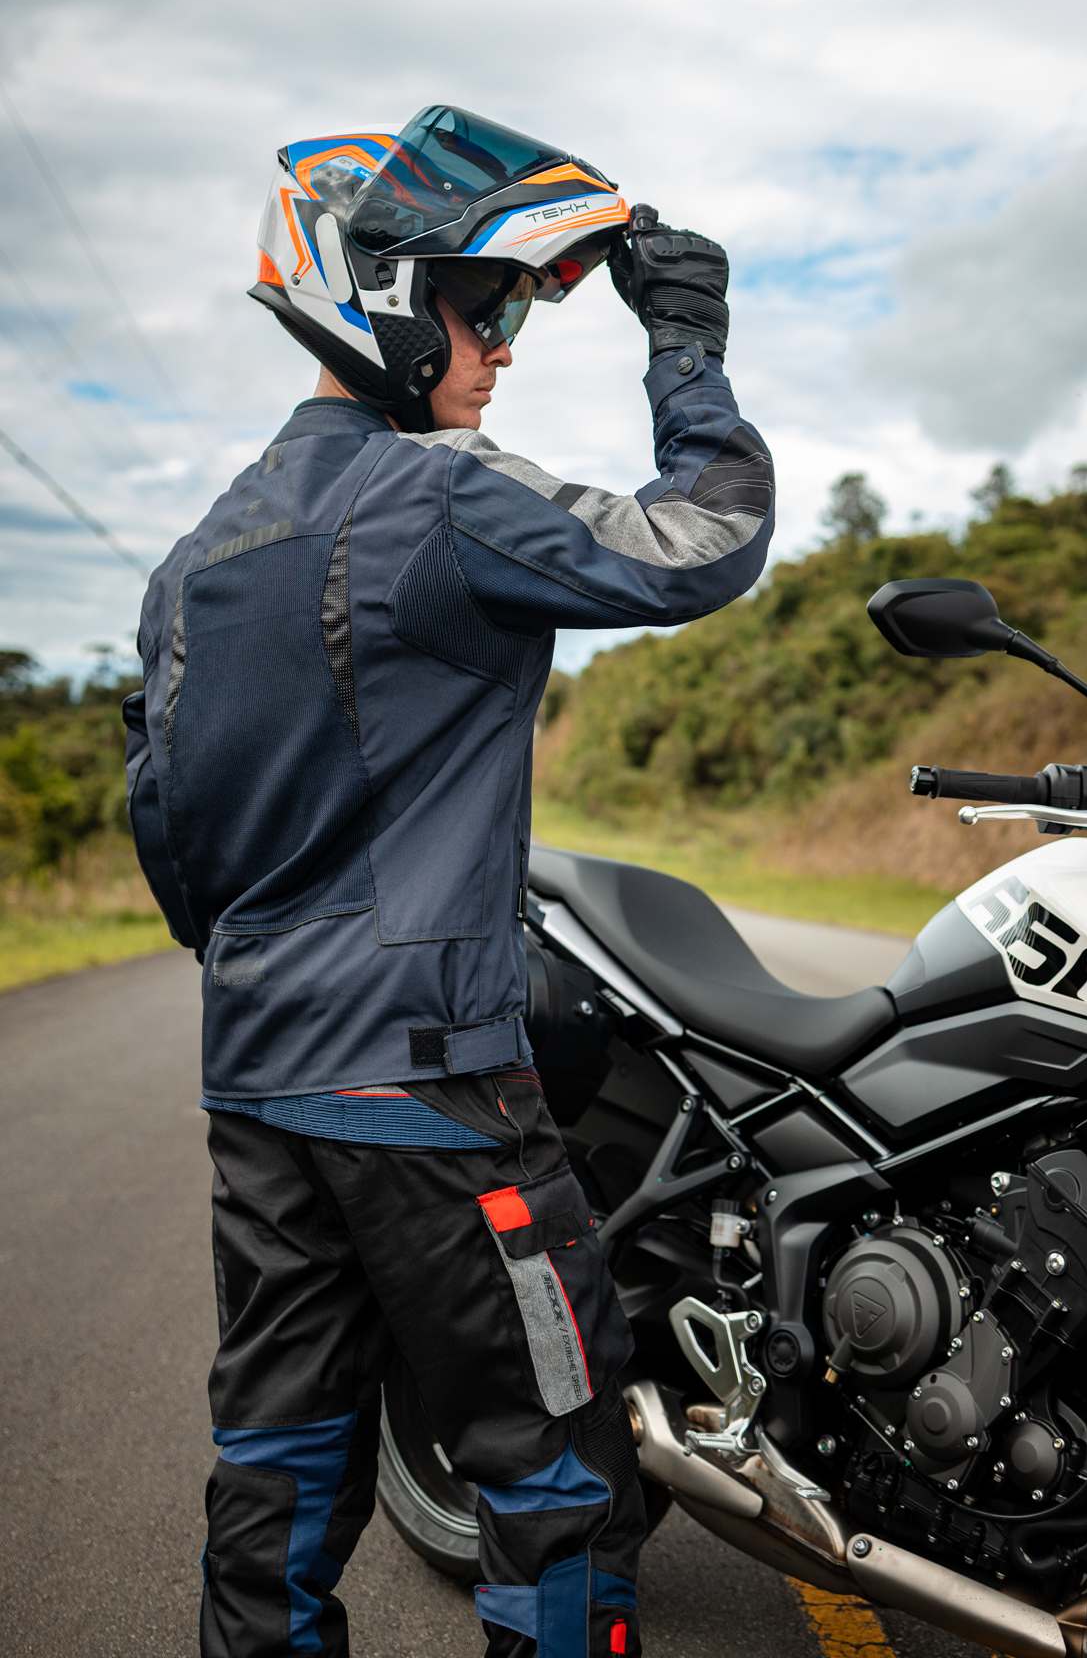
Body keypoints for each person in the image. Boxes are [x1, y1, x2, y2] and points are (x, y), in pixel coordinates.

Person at [123, 105, 775, 1658]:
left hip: (262, 1077)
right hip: (431, 1086)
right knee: (562, 1469)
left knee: (279, 1462)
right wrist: (684, 346)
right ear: (392, 306)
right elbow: (704, 541)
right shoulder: (436, 493)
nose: (504, 349)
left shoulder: (186, 570)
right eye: (487, 311)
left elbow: (173, 850)